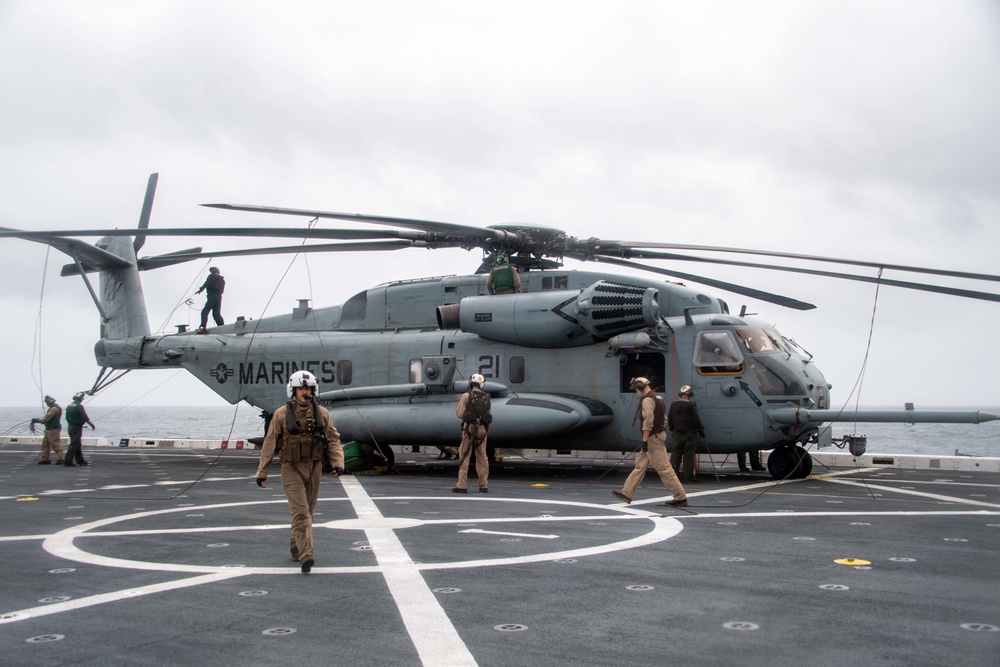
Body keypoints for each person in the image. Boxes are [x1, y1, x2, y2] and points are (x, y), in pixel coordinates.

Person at [255, 370, 345, 573]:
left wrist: (338, 462)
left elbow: (333, 439)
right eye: (301, 389)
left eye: (307, 388)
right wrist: (262, 472)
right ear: (293, 390)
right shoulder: (280, 415)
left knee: (308, 513)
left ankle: (296, 549)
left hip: (314, 467)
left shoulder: (322, 414)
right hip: (291, 468)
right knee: (301, 513)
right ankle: (306, 555)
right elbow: (270, 444)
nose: (304, 392)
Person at [612, 377, 688, 507]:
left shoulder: (647, 400)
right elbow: (664, 419)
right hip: (657, 435)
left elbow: (648, 420)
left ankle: (680, 497)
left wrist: (645, 440)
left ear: (640, 387)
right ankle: (626, 493)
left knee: (664, 469)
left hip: (652, 438)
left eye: (636, 389)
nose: (636, 393)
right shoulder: (658, 398)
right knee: (640, 466)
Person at [452, 373, 492, 493]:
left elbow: (459, 414)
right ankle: (483, 485)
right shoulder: (487, 398)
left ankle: (462, 485)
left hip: (469, 429)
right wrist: (485, 432)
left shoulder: (466, 396)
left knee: (464, 455)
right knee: (482, 457)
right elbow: (489, 417)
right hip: (482, 430)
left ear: (471, 383)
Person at [668, 384, 705, 484]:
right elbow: (696, 419)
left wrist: (673, 429)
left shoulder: (673, 404)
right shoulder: (691, 404)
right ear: (690, 393)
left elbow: (670, 418)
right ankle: (688, 477)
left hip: (677, 433)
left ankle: (673, 477)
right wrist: (701, 430)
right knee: (688, 456)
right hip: (689, 434)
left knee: (675, 456)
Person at [64, 391, 96, 467]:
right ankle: (67, 461)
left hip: (70, 426)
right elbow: (85, 417)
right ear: (80, 398)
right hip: (76, 427)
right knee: (74, 444)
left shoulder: (70, 406)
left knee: (77, 443)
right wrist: (91, 424)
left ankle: (80, 460)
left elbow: (66, 417)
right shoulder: (79, 406)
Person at [30, 395, 64, 465]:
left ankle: (61, 458)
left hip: (53, 429)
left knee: (55, 443)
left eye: (47, 402)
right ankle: (45, 458)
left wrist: (37, 420)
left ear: (50, 402)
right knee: (45, 444)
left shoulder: (54, 409)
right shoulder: (53, 408)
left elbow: (47, 418)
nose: (46, 404)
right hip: (49, 429)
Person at [195, 266, 225, 332]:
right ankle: (222, 327)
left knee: (205, 311)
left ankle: (203, 327)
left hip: (212, 295)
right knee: (216, 314)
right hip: (219, 296)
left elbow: (207, 283)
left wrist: (200, 290)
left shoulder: (212, 276)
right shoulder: (222, 279)